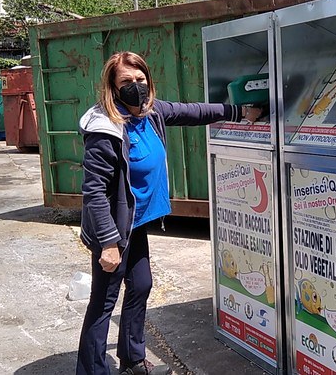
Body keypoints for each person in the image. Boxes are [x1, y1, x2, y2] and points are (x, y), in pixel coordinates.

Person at [76, 51, 261, 375]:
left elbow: (191, 112)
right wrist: (107, 243)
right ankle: (91, 370)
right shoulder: (105, 129)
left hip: (137, 222)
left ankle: (132, 359)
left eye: (140, 80)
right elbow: (93, 192)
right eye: (126, 82)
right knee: (103, 302)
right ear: (112, 87)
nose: (136, 87)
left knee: (142, 285)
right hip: (114, 230)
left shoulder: (151, 112)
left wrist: (239, 111)